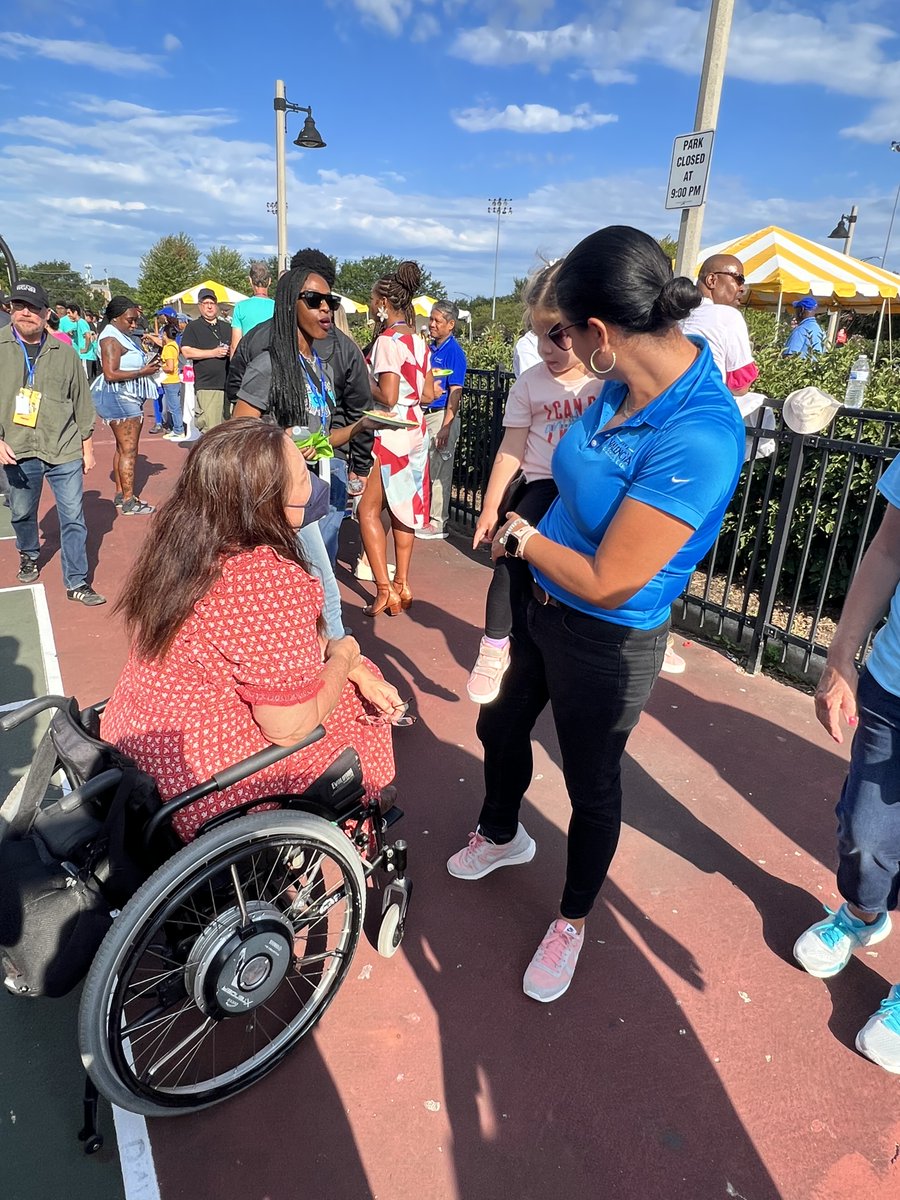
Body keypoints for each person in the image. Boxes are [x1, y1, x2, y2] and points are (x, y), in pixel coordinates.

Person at [446, 226, 745, 1002]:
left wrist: (521, 534)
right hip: (548, 610)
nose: (559, 345)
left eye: (563, 332)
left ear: (601, 334)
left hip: (609, 638)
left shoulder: (699, 433)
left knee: (592, 783)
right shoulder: (617, 385)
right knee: (500, 726)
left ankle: (572, 917)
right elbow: (563, 464)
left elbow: (613, 579)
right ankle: (503, 832)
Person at [101, 420, 403, 842]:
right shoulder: (263, 578)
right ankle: (358, 809)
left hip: (137, 753)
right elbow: (289, 727)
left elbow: (269, 646)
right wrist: (346, 659)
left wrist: (347, 661)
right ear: (266, 502)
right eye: (302, 476)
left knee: (353, 668)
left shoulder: (184, 545)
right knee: (358, 707)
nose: (312, 486)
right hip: (199, 789)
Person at [792, 454, 900, 1073]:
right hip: (893, 684)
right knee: (864, 831)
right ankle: (862, 914)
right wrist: (840, 656)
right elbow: (889, 549)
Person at [466, 262, 599, 704]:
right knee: (509, 551)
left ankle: (655, 627)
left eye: (558, 334)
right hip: (545, 485)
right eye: (539, 335)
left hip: (593, 487)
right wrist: (489, 509)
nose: (546, 347)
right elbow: (510, 450)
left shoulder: (606, 382)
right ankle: (494, 646)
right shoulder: (529, 384)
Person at [230, 257, 365, 640]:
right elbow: (238, 433)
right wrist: (282, 446)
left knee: (302, 593)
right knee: (325, 591)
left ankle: (315, 662)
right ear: (291, 304)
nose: (326, 308)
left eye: (331, 302)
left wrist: (362, 425)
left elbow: (320, 441)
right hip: (277, 498)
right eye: (314, 300)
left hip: (312, 493)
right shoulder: (269, 366)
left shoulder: (317, 365)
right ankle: (345, 669)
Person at [0, 280, 105, 605]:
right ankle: (29, 552)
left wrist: (86, 448)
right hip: (17, 448)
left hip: (64, 448)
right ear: (11, 310)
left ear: (46, 313)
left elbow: (81, 402)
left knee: (73, 516)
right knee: (21, 512)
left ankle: (76, 582)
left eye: (33, 308)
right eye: (19, 306)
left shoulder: (66, 353)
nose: (25, 313)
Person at [357, 261, 433, 616]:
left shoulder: (387, 341)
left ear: (384, 303)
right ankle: (403, 582)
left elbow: (386, 396)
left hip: (391, 431)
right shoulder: (418, 340)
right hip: (417, 429)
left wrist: (360, 376)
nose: (373, 306)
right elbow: (430, 392)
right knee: (404, 509)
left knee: (368, 510)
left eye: (374, 301)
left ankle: (383, 589)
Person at [94, 296, 161, 515]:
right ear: (116, 317)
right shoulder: (111, 339)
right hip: (121, 399)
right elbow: (110, 373)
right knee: (129, 450)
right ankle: (129, 500)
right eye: (130, 320)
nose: (134, 324)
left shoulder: (120, 335)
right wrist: (144, 371)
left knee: (122, 448)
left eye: (136, 321)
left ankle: (121, 494)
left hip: (125, 397)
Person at [416, 301, 468, 541]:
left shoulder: (454, 353)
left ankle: (438, 521)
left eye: (437, 321)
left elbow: (455, 391)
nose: (432, 324)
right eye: (432, 319)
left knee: (440, 469)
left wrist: (447, 425)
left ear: (451, 324)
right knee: (426, 466)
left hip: (441, 416)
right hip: (427, 413)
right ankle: (425, 516)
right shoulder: (431, 349)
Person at [181, 288, 230, 431]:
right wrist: (213, 353)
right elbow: (187, 352)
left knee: (229, 430)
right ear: (200, 306)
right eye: (205, 303)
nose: (209, 306)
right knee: (211, 430)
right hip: (208, 386)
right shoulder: (193, 327)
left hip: (229, 386)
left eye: (212, 303)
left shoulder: (227, 326)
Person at [229, 262, 275, 355]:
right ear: (269, 281)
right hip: (272, 361)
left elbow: (235, 345)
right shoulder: (278, 307)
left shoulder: (240, 307)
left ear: (250, 280)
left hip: (249, 362)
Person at [159, 323, 186, 439]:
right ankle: (177, 428)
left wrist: (160, 366)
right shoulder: (174, 345)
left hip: (170, 380)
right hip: (174, 380)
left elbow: (169, 367)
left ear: (165, 334)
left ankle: (178, 430)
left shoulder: (168, 348)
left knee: (174, 407)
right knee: (175, 406)